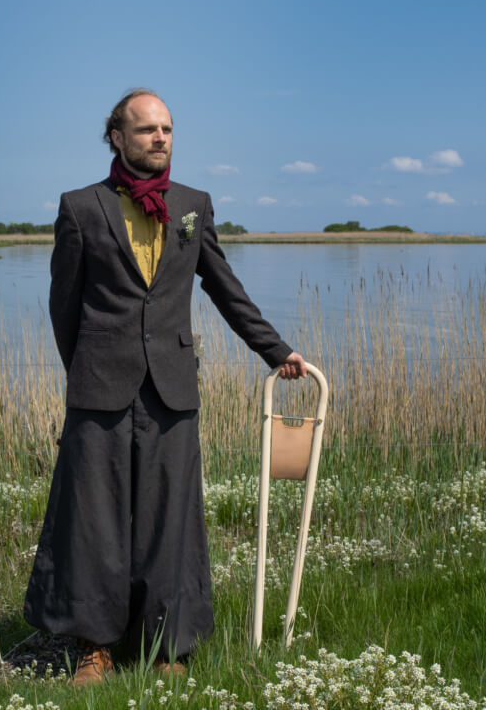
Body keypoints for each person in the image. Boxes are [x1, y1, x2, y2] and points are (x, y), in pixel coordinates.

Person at [24, 88, 307, 686]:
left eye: (167, 129)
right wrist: (86, 370)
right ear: (117, 138)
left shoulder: (192, 206)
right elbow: (63, 307)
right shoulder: (80, 207)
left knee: (169, 519)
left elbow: (224, 286)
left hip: (172, 388)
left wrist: (275, 350)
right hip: (99, 386)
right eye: (147, 129)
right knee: (94, 520)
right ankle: (94, 647)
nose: (160, 138)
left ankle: (166, 648)